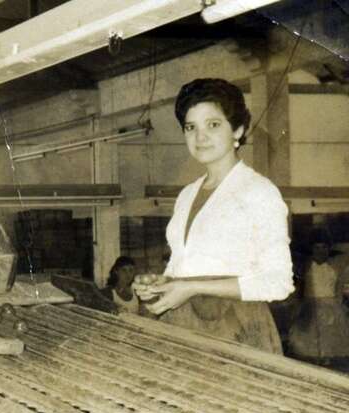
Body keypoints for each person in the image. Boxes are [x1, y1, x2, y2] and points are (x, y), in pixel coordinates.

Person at [134, 78, 294, 354]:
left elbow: (278, 283)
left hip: (238, 331)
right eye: (190, 127)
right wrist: (162, 283)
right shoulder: (186, 195)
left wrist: (192, 287)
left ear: (239, 130)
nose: (200, 137)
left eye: (213, 125)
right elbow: (181, 266)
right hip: (184, 324)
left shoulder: (259, 192)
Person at [287, 227, 349, 360]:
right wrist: (298, 305)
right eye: (316, 248)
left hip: (330, 307)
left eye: (324, 247)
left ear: (328, 249)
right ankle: (313, 360)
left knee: (328, 335)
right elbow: (299, 289)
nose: (320, 251)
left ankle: (326, 360)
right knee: (309, 337)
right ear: (311, 249)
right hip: (309, 305)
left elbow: (338, 289)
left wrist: (338, 305)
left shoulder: (335, 268)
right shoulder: (306, 268)